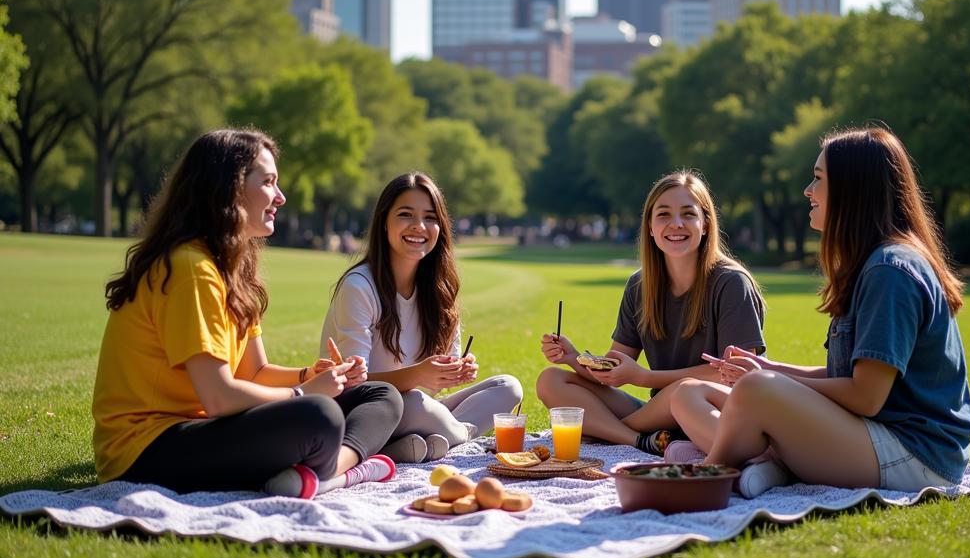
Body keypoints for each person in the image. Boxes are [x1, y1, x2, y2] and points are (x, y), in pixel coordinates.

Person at [92, 129, 403, 500]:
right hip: (145, 448)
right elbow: (219, 397)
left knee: (380, 394)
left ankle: (330, 470)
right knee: (319, 416)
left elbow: (254, 373)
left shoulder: (230, 269)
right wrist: (303, 392)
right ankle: (336, 471)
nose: (281, 197)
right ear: (229, 188)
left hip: (207, 428)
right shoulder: (191, 268)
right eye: (269, 182)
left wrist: (314, 374)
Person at [671, 126, 970, 498]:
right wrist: (769, 369)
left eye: (817, 179)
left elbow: (866, 397)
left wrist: (769, 384)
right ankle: (766, 463)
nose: (807, 191)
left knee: (755, 391)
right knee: (690, 393)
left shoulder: (890, 271)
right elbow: (844, 375)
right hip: (870, 433)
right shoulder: (871, 263)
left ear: (852, 189)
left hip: (915, 456)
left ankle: (711, 474)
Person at [536, 170, 766, 455]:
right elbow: (615, 367)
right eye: (664, 214)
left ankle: (606, 431)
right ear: (650, 226)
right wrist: (573, 358)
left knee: (683, 390)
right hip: (660, 412)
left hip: (713, 409)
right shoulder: (639, 286)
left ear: (705, 224)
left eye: (688, 214)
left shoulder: (731, 283)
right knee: (551, 380)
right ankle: (640, 440)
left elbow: (736, 375)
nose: (676, 224)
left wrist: (645, 378)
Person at [320, 172, 523, 463]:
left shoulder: (439, 288)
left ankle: (416, 445)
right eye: (406, 215)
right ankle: (459, 437)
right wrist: (418, 375)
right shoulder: (359, 286)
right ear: (384, 222)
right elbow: (352, 384)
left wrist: (454, 371)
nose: (419, 226)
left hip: (419, 409)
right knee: (416, 404)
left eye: (430, 217)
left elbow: (437, 384)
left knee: (508, 387)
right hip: (364, 409)